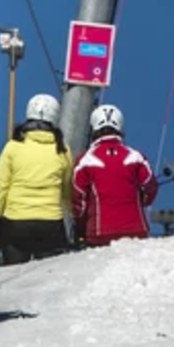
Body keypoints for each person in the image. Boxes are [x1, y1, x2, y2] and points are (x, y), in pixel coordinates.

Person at [0, 93, 73, 264]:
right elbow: (67, 190)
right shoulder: (63, 150)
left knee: (15, 274)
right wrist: (74, 217)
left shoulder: (13, 147)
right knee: (49, 274)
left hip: (15, 222)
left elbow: (1, 187)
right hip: (51, 223)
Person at [72, 104, 159, 246]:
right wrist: (140, 201)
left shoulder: (84, 160)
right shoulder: (136, 156)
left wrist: (80, 225)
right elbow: (150, 186)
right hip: (136, 231)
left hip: (99, 234)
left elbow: (79, 201)